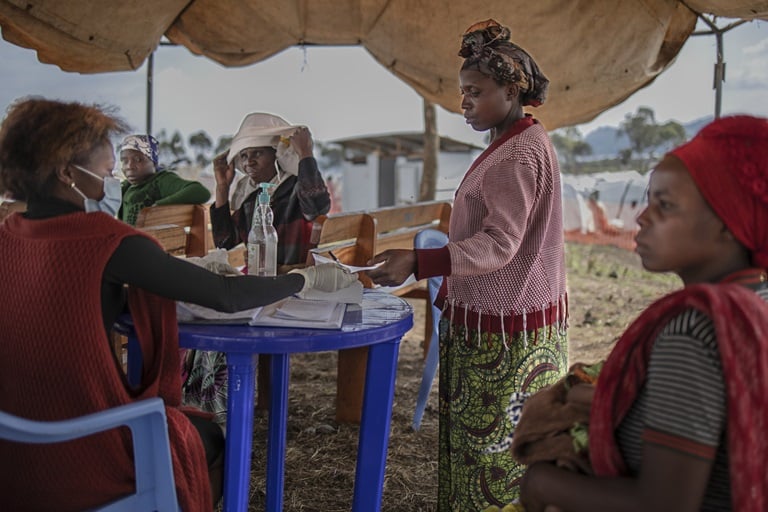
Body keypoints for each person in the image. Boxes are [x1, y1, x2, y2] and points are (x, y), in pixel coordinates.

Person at [0, 97, 356, 512]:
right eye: (102, 159)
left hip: (12, 448)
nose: (112, 168)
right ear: (65, 172)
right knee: (212, 440)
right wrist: (303, 278)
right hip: (84, 451)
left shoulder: (8, 236)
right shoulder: (106, 241)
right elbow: (225, 296)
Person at [518, 115, 768, 512]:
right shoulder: (758, 299)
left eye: (665, 206)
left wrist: (541, 484)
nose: (641, 218)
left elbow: (665, 504)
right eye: (648, 200)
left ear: (729, 222)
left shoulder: (696, 331)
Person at [366, 19, 568, 509]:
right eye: (462, 94)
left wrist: (420, 259)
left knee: (490, 457)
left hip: (502, 335)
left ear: (511, 88)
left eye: (474, 93)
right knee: (498, 450)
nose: (464, 104)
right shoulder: (523, 140)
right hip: (521, 319)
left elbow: (500, 244)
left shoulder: (513, 159)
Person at [210, 112, 331, 271]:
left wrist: (305, 153)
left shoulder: (297, 187)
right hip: (264, 280)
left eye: (257, 153)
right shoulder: (251, 199)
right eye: (244, 156)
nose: (249, 162)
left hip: (298, 280)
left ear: (277, 155)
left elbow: (317, 208)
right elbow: (224, 242)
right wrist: (222, 188)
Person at [117, 134, 212, 225]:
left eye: (138, 160)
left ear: (153, 162)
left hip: (151, 240)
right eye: (124, 161)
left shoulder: (161, 180)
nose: (129, 166)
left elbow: (200, 192)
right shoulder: (126, 187)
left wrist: (158, 207)